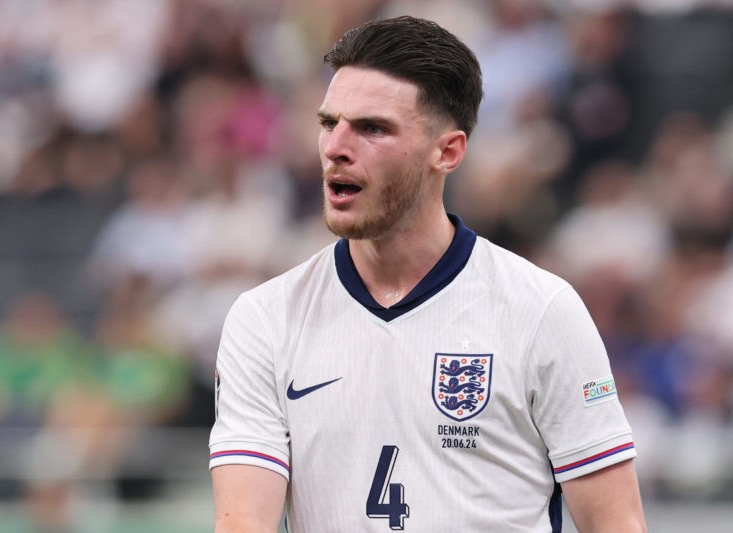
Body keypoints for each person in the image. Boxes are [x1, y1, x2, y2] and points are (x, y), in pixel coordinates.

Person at [209, 15, 646, 532]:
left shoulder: (542, 309)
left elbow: (616, 524)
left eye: (373, 128)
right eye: (329, 123)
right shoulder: (265, 319)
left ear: (448, 151)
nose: (335, 148)